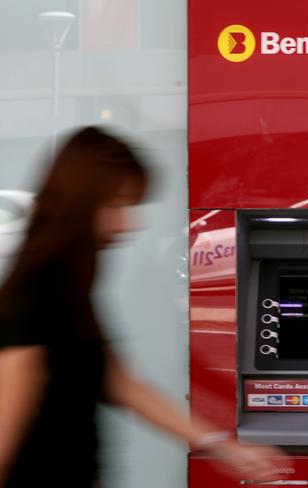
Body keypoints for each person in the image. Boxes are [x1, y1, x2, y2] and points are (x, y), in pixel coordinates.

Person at [0, 127, 288, 488]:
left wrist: (222, 446)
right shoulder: (35, 294)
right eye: (118, 205)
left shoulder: (68, 288)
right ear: (81, 201)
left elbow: (117, 381)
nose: (129, 224)